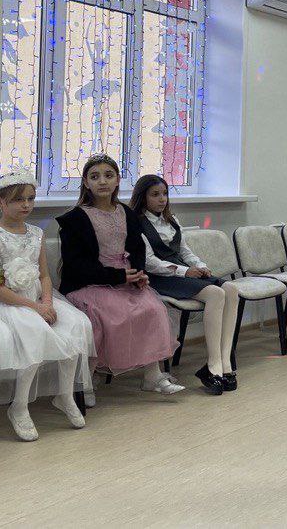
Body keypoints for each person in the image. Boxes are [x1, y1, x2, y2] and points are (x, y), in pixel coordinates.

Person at [0, 170, 94, 441]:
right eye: (19, 200)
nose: (26, 205)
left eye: (30, 198)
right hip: (3, 300)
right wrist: (34, 307)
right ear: (0, 201)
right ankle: (18, 406)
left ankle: (65, 395)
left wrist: (47, 302)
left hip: (37, 297)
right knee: (33, 331)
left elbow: (44, 275)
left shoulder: (36, 233)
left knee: (76, 324)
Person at [57, 155, 183, 396]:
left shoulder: (126, 213)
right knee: (110, 314)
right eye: (95, 177)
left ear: (117, 180)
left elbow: (137, 249)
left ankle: (152, 376)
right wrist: (119, 276)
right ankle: (87, 382)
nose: (102, 181)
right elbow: (76, 264)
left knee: (153, 308)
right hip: (89, 282)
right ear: (86, 182)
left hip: (125, 280)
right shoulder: (74, 218)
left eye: (108, 175)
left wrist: (139, 274)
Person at [130, 174, 241, 395]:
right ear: (143, 197)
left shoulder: (172, 220)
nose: (162, 199)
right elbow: (150, 262)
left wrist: (201, 265)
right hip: (161, 277)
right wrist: (184, 271)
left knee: (231, 289)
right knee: (215, 294)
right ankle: (213, 365)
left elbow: (185, 251)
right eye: (155, 195)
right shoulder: (137, 223)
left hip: (182, 273)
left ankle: (225, 362)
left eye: (164, 194)